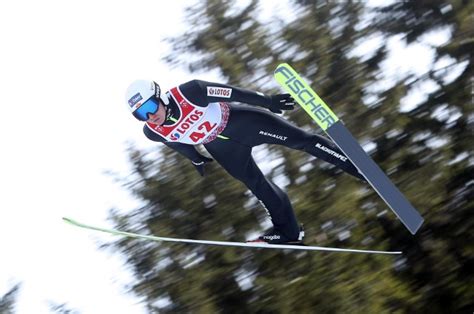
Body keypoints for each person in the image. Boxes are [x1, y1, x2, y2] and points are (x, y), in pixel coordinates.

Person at [125, 79, 365, 245]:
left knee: (302, 141)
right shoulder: (153, 132)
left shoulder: (191, 92)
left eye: (149, 107)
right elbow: (177, 142)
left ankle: (358, 167)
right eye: (140, 115)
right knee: (258, 186)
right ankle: (288, 232)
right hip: (222, 149)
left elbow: (232, 92)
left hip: (243, 123)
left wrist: (268, 101)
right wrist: (195, 160)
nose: (150, 116)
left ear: (160, 95)